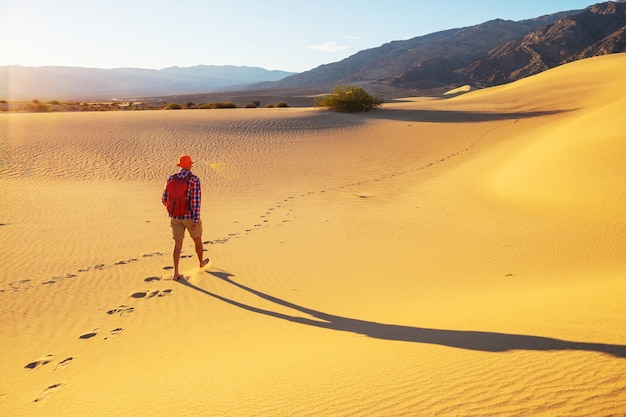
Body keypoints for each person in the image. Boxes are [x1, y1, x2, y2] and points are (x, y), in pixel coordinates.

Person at [162, 155, 209, 280]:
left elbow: (164, 199)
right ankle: (200, 262)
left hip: (175, 217)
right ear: (189, 165)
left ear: (180, 166)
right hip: (189, 216)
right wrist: (195, 219)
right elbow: (196, 201)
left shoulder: (171, 178)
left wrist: (174, 208)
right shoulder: (194, 180)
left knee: (177, 245)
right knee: (197, 240)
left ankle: (176, 273)